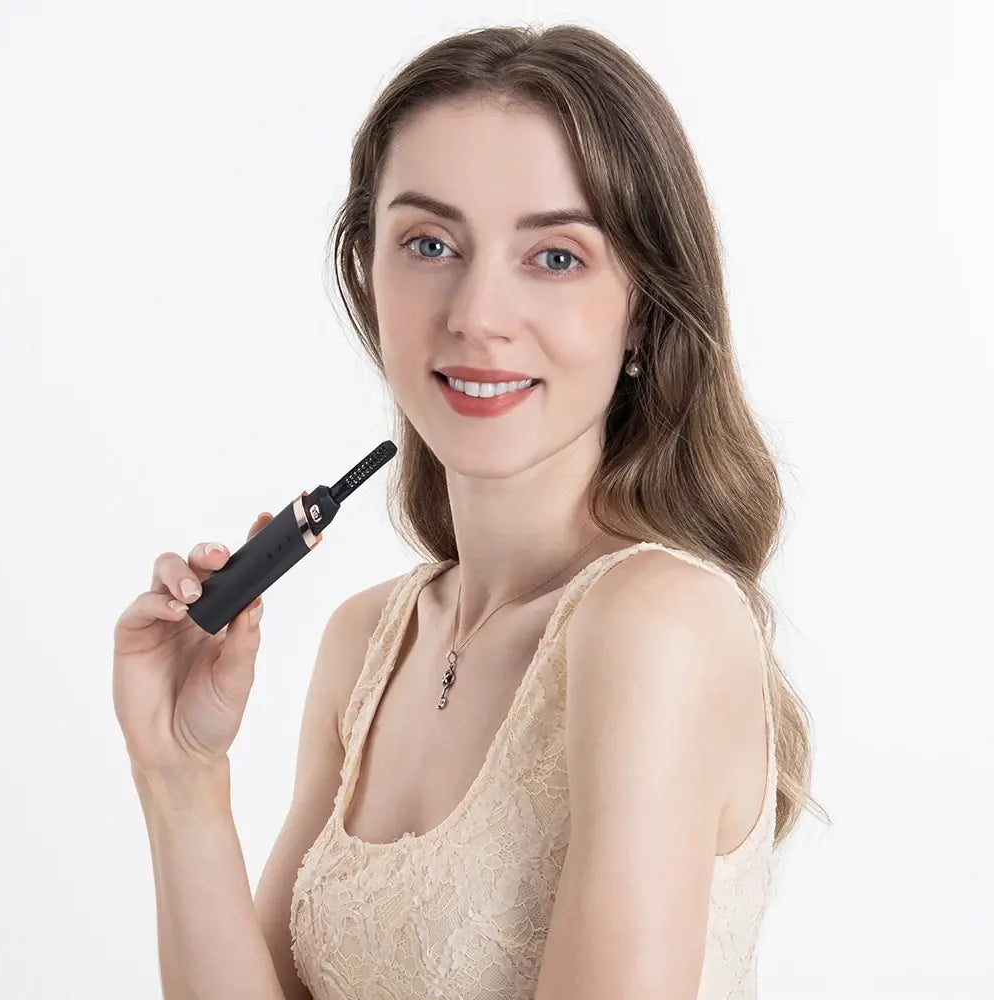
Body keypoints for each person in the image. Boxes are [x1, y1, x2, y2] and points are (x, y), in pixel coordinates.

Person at [112, 22, 827, 1000]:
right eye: (430, 244)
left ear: (644, 308)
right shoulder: (368, 640)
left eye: (556, 257)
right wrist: (180, 773)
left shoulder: (657, 622)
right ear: (368, 274)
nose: (477, 314)